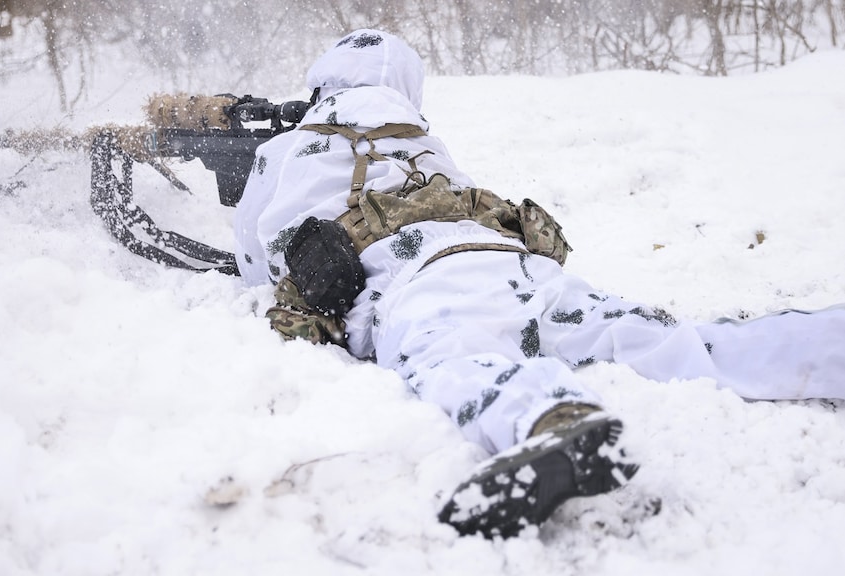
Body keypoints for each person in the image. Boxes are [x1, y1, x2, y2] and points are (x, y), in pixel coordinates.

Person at [233, 29, 845, 539]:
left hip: (420, 282)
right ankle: (825, 343)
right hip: (515, 265)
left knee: (455, 358)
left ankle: (555, 421)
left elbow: (256, 264)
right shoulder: (419, 136)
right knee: (655, 337)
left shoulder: (290, 149)